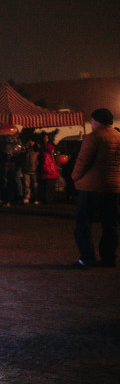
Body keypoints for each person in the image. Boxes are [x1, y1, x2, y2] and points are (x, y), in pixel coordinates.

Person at [71, 108, 120, 268]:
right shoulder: (118, 136)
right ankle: (109, 257)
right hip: (113, 186)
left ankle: (87, 257)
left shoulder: (94, 137)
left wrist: (75, 177)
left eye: (92, 121)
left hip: (92, 186)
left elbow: (83, 161)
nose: (91, 124)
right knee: (110, 224)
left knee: (83, 223)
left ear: (97, 121)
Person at [36, 134, 60, 205]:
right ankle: (48, 200)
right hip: (49, 174)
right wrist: (50, 171)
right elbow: (46, 165)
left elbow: (46, 165)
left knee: (47, 188)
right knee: (49, 188)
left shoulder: (48, 156)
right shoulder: (47, 156)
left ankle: (47, 200)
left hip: (49, 174)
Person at [22, 139, 40, 204]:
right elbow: (22, 157)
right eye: (29, 141)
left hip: (34, 169)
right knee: (26, 185)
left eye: (31, 141)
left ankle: (35, 197)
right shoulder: (26, 150)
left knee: (34, 185)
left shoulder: (37, 150)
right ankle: (27, 197)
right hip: (26, 169)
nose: (30, 142)